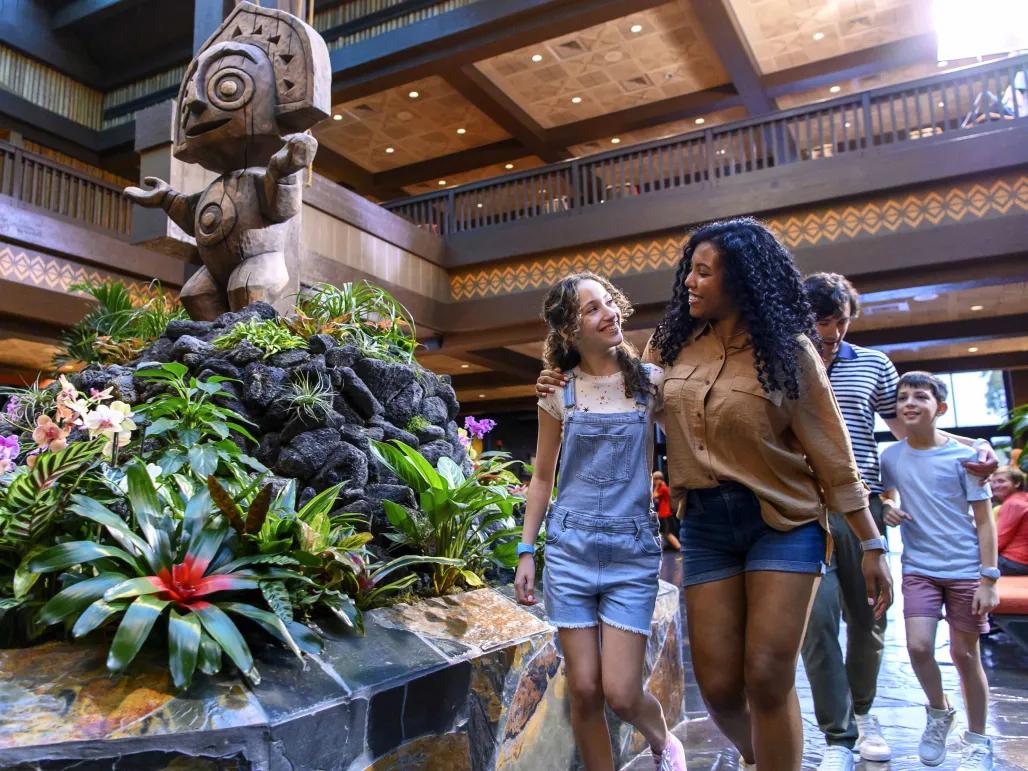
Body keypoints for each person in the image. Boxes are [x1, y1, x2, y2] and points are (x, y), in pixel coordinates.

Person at [539, 218, 892, 768]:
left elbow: (833, 455)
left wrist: (872, 543)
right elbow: (612, 386)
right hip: (705, 523)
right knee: (721, 686)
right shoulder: (670, 346)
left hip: (782, 520)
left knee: (769, 675)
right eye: (691, 271)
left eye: (703, 272)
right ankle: (762, 755)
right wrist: (558, 380)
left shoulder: (788, 352)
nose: (690, 282)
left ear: (741, 279)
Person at [800, 273, 997, 771]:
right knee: (816, 625)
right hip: (800, 509)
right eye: (823, 322)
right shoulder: (784, 367)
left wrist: (977, 448)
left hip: (861, 508)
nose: (833, 333)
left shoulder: (873, 365)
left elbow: (912, 430)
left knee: (868, 622)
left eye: (841, 322)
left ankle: (865, 714)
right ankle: (837, 737)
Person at [513, 272, 686, 771]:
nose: (608, 313)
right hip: (569, 549)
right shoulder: (557, 392)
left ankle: (663, 742)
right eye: (591, 309)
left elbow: (687, 445)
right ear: (569, 331)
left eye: (608, 302)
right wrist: (527, 550)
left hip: (631, 551)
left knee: (621, 693)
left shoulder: (650, 384)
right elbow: (542, 478)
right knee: (585, 690)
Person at [880, 371, 999, 770]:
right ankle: (938, 711)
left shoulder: (966, 458)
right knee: (917, 647)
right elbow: (886, 495)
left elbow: (985, 521)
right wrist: (886, 507)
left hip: (966, 570)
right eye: (902, 397)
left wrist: (989, 578)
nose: (909, 403)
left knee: (966, 656)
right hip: (920, 568)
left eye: (919, 397)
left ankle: (980, 739)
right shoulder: (891, 457)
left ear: (940, 409)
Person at [992, 466, 1028, 575]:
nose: (996, 486)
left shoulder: (1013, 504)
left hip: (1014, 562)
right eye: (993, 482)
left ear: (1017, 483)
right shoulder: (1023, 498)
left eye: (1001, 481)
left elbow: (998, 541)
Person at [653, 471, 680, 550]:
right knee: (663, 533)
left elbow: (654, 496)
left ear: (658, 479)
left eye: (654, 480)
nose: (653, 482)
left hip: (665, 514)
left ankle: (680, 548)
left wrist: (657, 487)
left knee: (668, 534)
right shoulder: (663, 487)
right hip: (663, 514)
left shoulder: (662, 488)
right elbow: (658, 501)